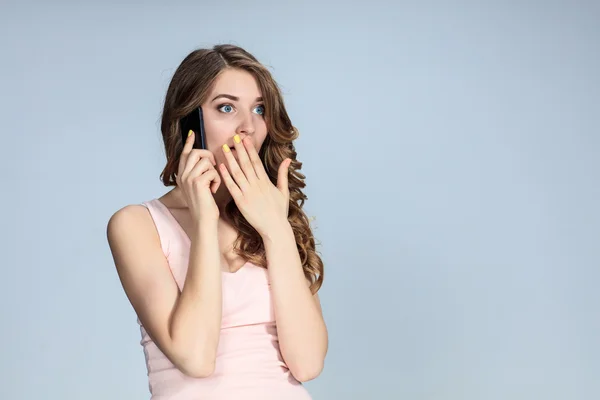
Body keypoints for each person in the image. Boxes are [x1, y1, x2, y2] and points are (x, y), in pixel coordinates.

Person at [106, 44, 327, 399]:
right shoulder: (136, 225)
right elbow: (195, 357)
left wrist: (276, 230)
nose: (249, 127)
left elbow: (308, 364)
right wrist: (205, 219)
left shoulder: (276, 219)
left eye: (260, 109)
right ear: (189, 121)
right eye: (226, 108)